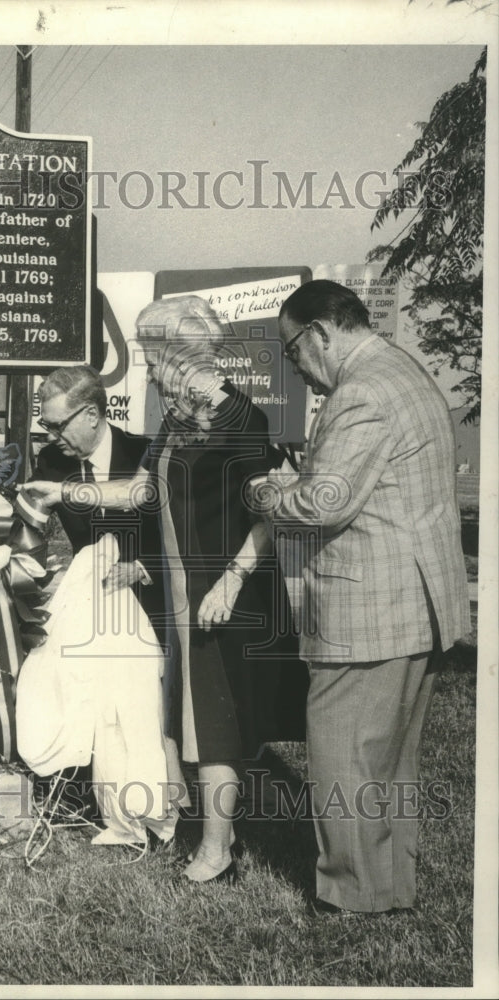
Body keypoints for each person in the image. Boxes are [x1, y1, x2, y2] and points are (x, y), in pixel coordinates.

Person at [29, 296, 307, 883]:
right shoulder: (178, 426)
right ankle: (208, 836)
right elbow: (138, 494)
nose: (149, 372)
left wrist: (229, 585)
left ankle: (217, 850)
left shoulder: (242, 419)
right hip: (183, 593)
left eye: (155, 359)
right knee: (192, 718)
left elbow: (269, 515)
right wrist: (63, 494)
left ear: (183, 356)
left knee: (216, 727)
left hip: (219, 594)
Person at [251, 279, 471, 913]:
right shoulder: (402, 368)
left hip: (367, 606)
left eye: (292, 353)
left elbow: (326, 505)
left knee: (343, 752)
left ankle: (350, 894)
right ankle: (389, 885)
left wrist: (268, 493)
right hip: (416, 600)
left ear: (319, 333)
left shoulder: (360, 392)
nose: (296, 370)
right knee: (390, 760)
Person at [33, 365, 164, 640]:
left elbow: (180, 534)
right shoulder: (50, 462)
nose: (50, 436)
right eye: (46, 425)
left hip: (150, 616)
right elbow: (24, 529)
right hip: (87, 618)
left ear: (91, 414)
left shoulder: (144, 454)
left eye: (58, 426)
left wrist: (141, 568)